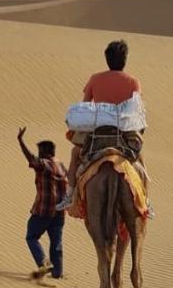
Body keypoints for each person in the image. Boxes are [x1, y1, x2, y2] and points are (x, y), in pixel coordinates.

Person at [55, 39, 147, 212]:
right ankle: (145, 200)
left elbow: (85, 105)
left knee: (75, 154)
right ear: (125, 60)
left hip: (98, 133)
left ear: (107, 59)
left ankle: (69, 195)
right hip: (123, 135)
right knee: (140, 159)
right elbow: (136, 110)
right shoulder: (134, 82)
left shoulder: (95, 79)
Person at [17, 127, 67, 279]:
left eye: (40, 151)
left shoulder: (44, 164)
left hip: (43, 212)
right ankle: (57, 273)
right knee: (56, 243)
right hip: (59, 213)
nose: (38, 153)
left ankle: (43, 263)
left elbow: (31, 159)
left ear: (46, 152)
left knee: (31, 237)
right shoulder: (61, 165)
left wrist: (20, 141)